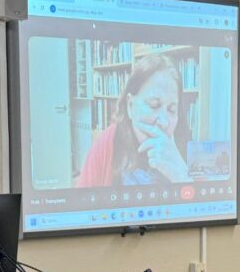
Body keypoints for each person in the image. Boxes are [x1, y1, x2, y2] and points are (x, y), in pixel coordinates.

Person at [78, 53, 192, 187]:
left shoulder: (187, 148)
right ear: (130, 106)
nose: (164, 122)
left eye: (172, 110)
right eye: (154, 105)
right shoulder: (108, 142)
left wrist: (181, 175)